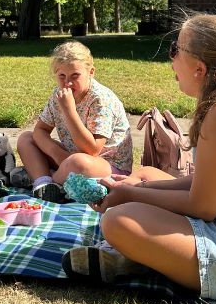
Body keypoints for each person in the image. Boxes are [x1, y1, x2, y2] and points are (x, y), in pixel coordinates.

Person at [74, 13, 216, 304]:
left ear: (199, 68)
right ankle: (143, 255)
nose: (171, 58)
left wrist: (130, 195)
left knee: (118, 220)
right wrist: (136, 189)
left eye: (176, 49)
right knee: (146, 174)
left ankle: (137, 255)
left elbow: (203, 206)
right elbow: (204, 184)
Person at [16, 40, 134, 203]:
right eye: (62, 76)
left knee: (77, 162)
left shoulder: (101, 100)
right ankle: (43, 184)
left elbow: (92, 151)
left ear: (91, 72)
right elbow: (40, 130)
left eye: (75, 76)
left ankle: (49, 178)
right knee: (26, 138)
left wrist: (69, 111)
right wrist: (58, 155)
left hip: (107, 166)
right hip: (69, 158)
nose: (68, 83)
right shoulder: (58, 94)